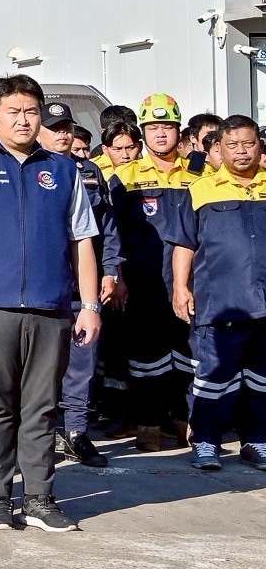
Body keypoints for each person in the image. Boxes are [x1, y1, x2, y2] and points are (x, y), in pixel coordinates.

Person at [0, 76, 101, 533]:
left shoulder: (64, 170)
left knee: (42, 407)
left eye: (31, 111)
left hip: (52, 309)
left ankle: (39, 499)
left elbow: (84, 241)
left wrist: (89, 305)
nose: (23, 120)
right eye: (13, 111)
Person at [169, 114, 266, 471]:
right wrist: (181, 288)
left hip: (264, 304)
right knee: (213, 376)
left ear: (259, 146)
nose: (242, 152)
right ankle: (206, 440)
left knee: (261, 377)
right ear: (219, 149)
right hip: (222, 302)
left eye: (249, 143)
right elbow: (183, 244)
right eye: (233, 145)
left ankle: (256, 440)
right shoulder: (202, 189)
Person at [36, 103, 123, 469]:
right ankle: (40, 435)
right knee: (40, 369)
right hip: (42, 288)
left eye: (67, 128)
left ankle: (75, 431)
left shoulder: (90, 173)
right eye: (54, 128)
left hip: (82, 290)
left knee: (82, 366)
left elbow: (108, 228)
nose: (63, 134)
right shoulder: (30, 170)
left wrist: (111, 271)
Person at [107, 95, 194, 452]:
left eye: (168, 127)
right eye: (154, 128)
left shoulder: (199, 176)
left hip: (189, 284)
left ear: (178, 130)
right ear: (144, 132)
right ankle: (148, 422)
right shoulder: (124, 177)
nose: (161, 134)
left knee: (188, 353)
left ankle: (183, 418)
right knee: (145, 356)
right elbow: (114, 233)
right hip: (143, 282)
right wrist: (119, 277)